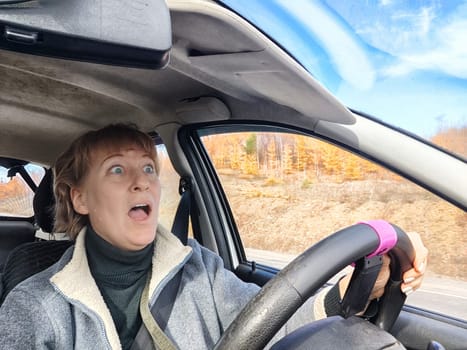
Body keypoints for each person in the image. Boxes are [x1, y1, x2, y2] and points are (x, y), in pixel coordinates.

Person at [0, 124, 428, 349]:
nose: (142, 182)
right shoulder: (34, 306)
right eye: (117, 169)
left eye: (149, 167)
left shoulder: (198, 266)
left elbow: (268, 321)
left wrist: (356, 286)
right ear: (80, 199)